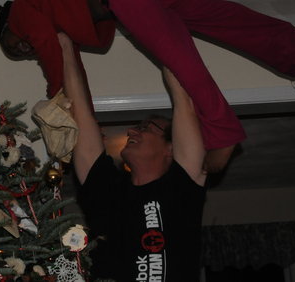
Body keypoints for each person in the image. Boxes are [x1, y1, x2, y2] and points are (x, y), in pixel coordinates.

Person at [0, 0, 295, 171]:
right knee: (206, 13)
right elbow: (73, 69)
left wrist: (57, 104)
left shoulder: (22, 8)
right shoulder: (52, 12)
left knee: (178, 56)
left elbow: (53, 61)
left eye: (14, 45)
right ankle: (291, 48)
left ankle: (224, 133)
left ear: (8, 24)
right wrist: (85, 120)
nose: (24, 48)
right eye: (22, 54)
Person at [58, 31, 206, 281]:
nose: (131, 131)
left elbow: (183, 101)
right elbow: (79, 112)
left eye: (147, 127)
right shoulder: (108, 190)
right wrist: (65, 44)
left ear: (171, 148)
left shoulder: (182, 187)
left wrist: (154, 27)